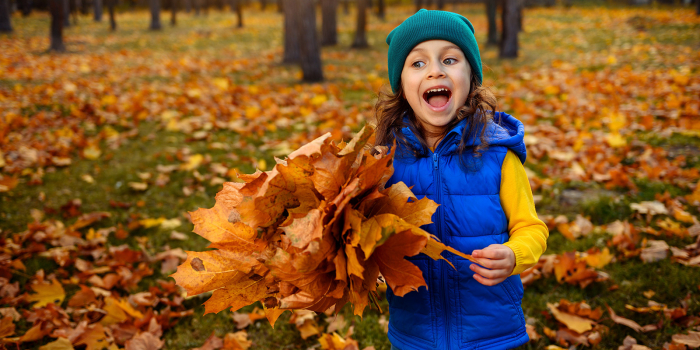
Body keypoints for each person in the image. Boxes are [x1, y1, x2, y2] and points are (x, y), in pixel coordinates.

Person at [373, 9, 549, 350]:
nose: (435, 69)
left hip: (492, 334)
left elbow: (532, 228)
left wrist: (514, 254)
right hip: (415, 335)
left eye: (450, 59)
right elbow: (364, 230)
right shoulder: (384, 162)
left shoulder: (498, 156)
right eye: (418, 63)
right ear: (402, 86)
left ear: (471, 77)